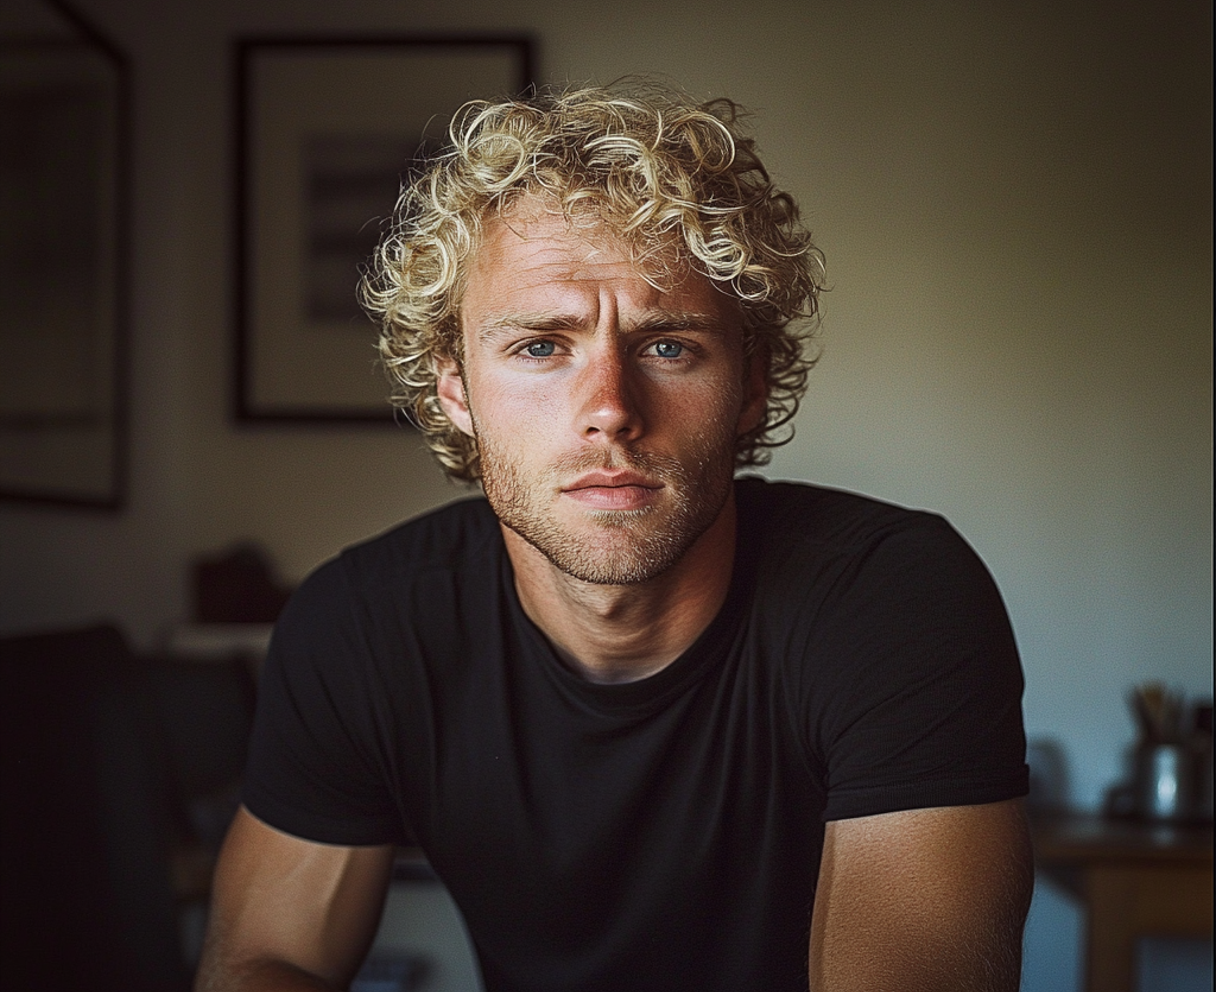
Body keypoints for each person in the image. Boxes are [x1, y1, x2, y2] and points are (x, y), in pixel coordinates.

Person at [196, 82, 1033, 992]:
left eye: (669, 346)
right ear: (454, 389)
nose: (610, 411)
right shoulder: (363, 627)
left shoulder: (893, 598)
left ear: (750, 386)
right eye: (541, 347)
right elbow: (263, 960)